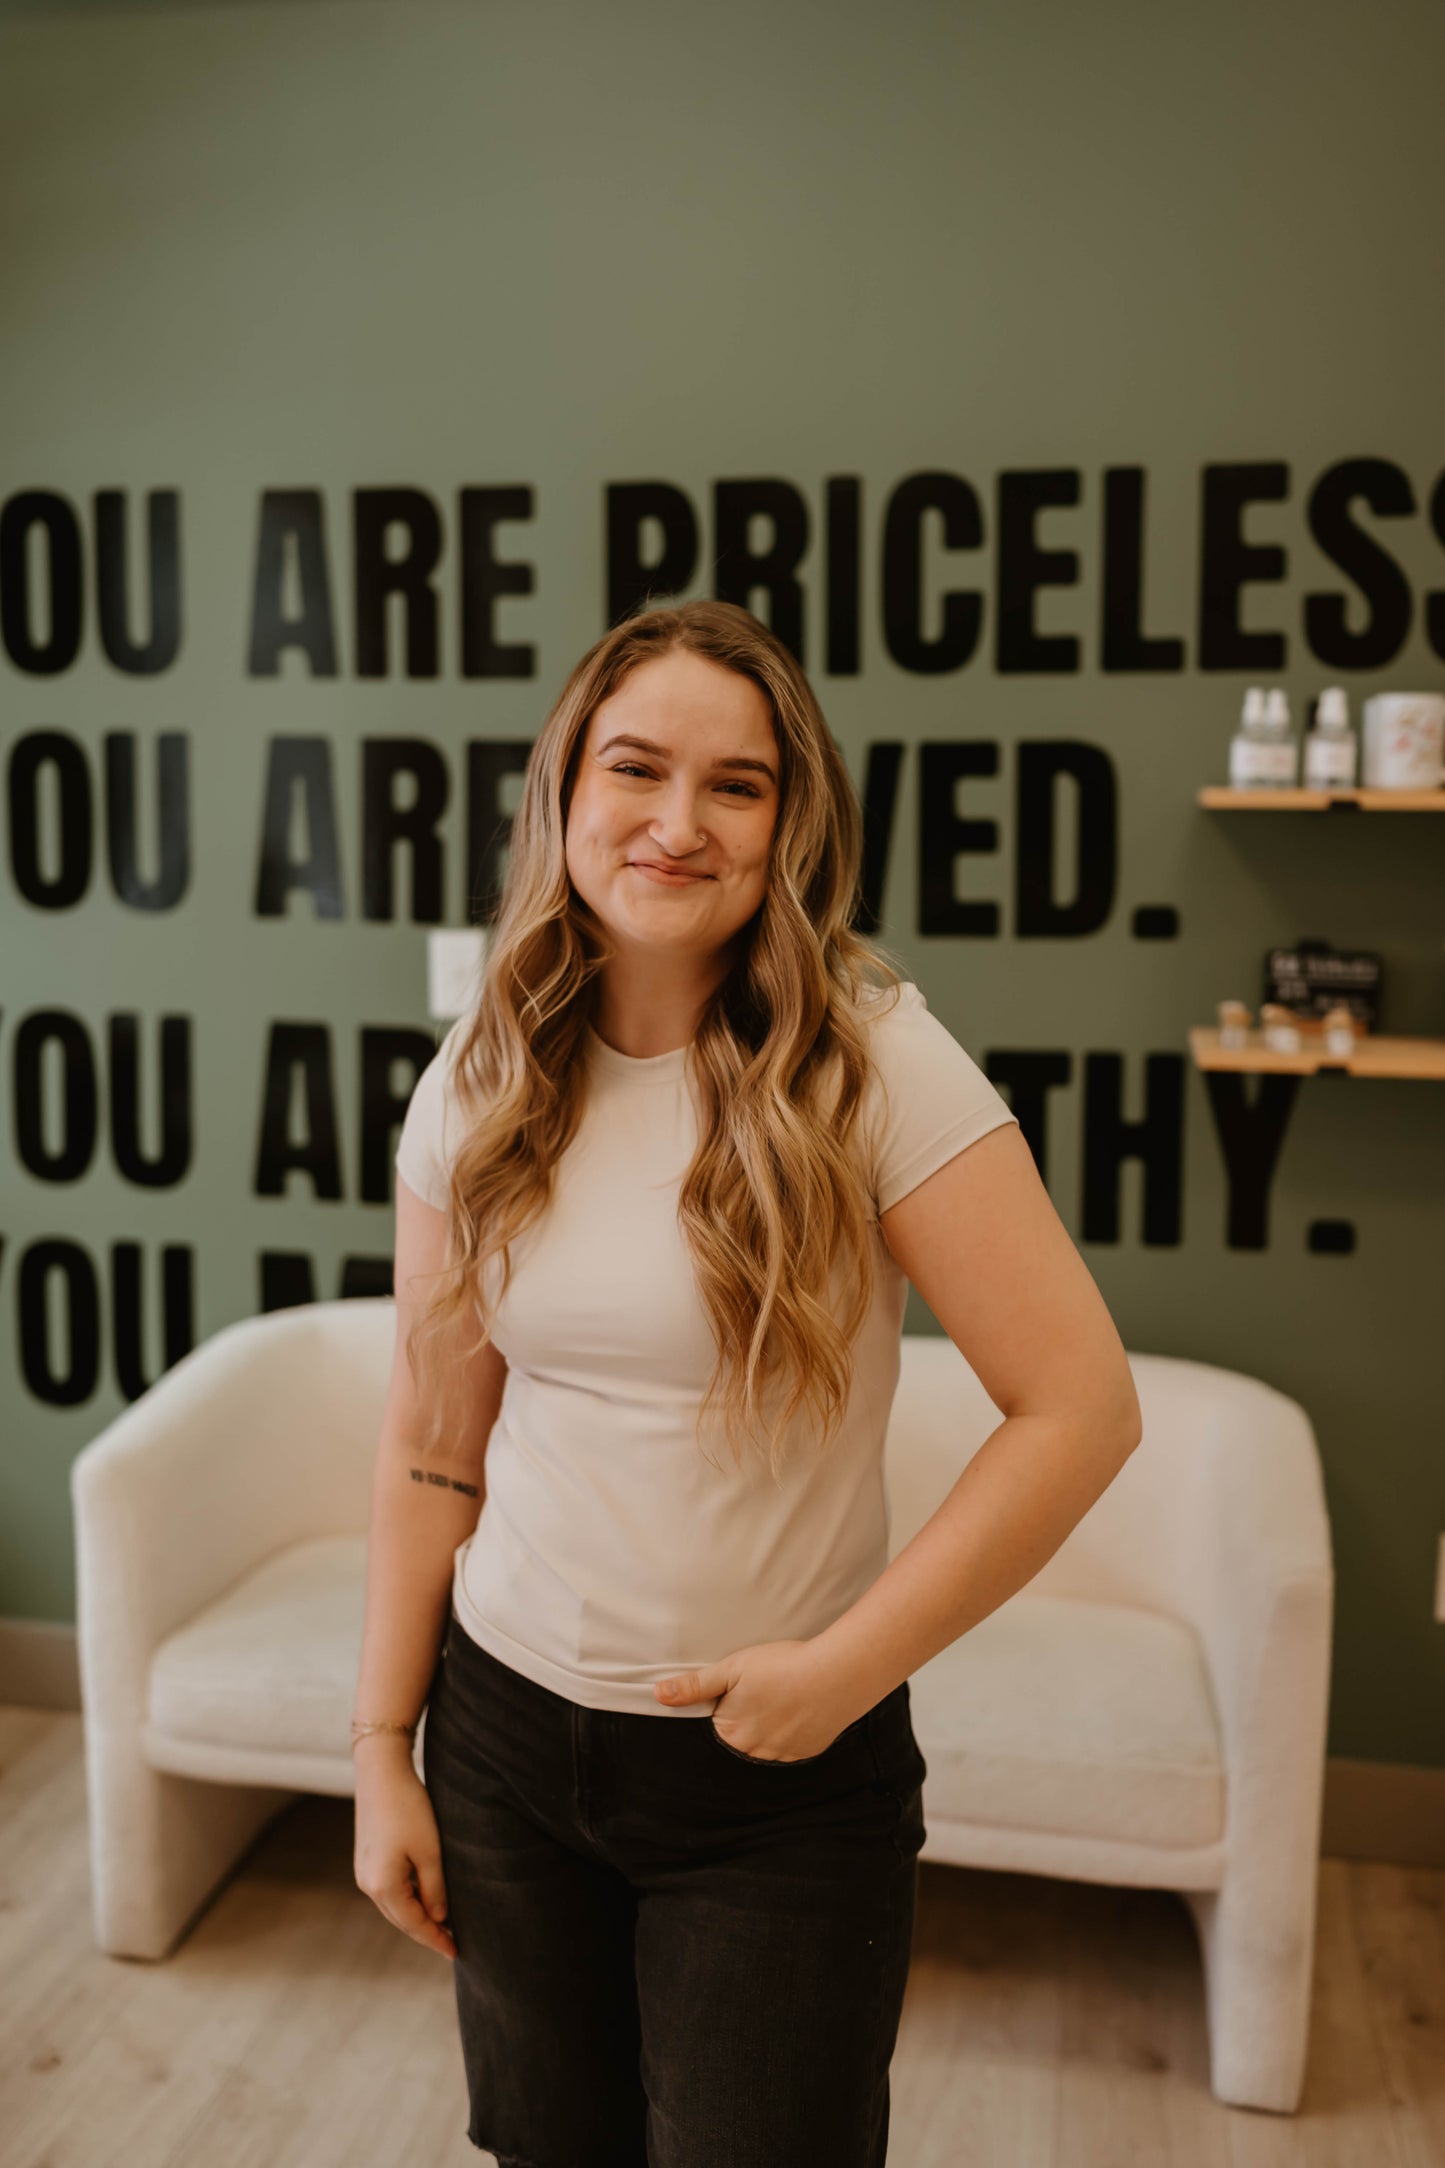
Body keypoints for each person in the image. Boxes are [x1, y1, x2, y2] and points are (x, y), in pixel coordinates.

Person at [351, 598, 1143, 2168]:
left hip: (775, 1784)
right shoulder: (482, 1072)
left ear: (791, 821)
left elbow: (1079, 1409)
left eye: (737, 784)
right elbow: (435, 1444)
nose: (675, 823)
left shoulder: (869, 1057)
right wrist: (381, 1747)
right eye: (634, 768)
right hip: (501, 1738)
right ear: (565, 789)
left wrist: (845, 1667)